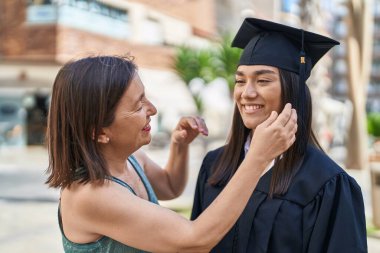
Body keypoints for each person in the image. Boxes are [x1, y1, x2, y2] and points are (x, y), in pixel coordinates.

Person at [46, 55, 297, 253]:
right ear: (99, 132)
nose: (152, 110)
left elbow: (169, 186)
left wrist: (180, 146)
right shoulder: (91, 196)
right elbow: (196, 240)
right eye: (138, 106)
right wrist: (258, 157)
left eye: (145, 97)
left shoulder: (131, 160)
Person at [191, 18, 367, 253]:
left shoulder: (327, 184)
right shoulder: (214, 166)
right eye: (240, 81)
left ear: (293, 89)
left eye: (263, 80)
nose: (247, 93)